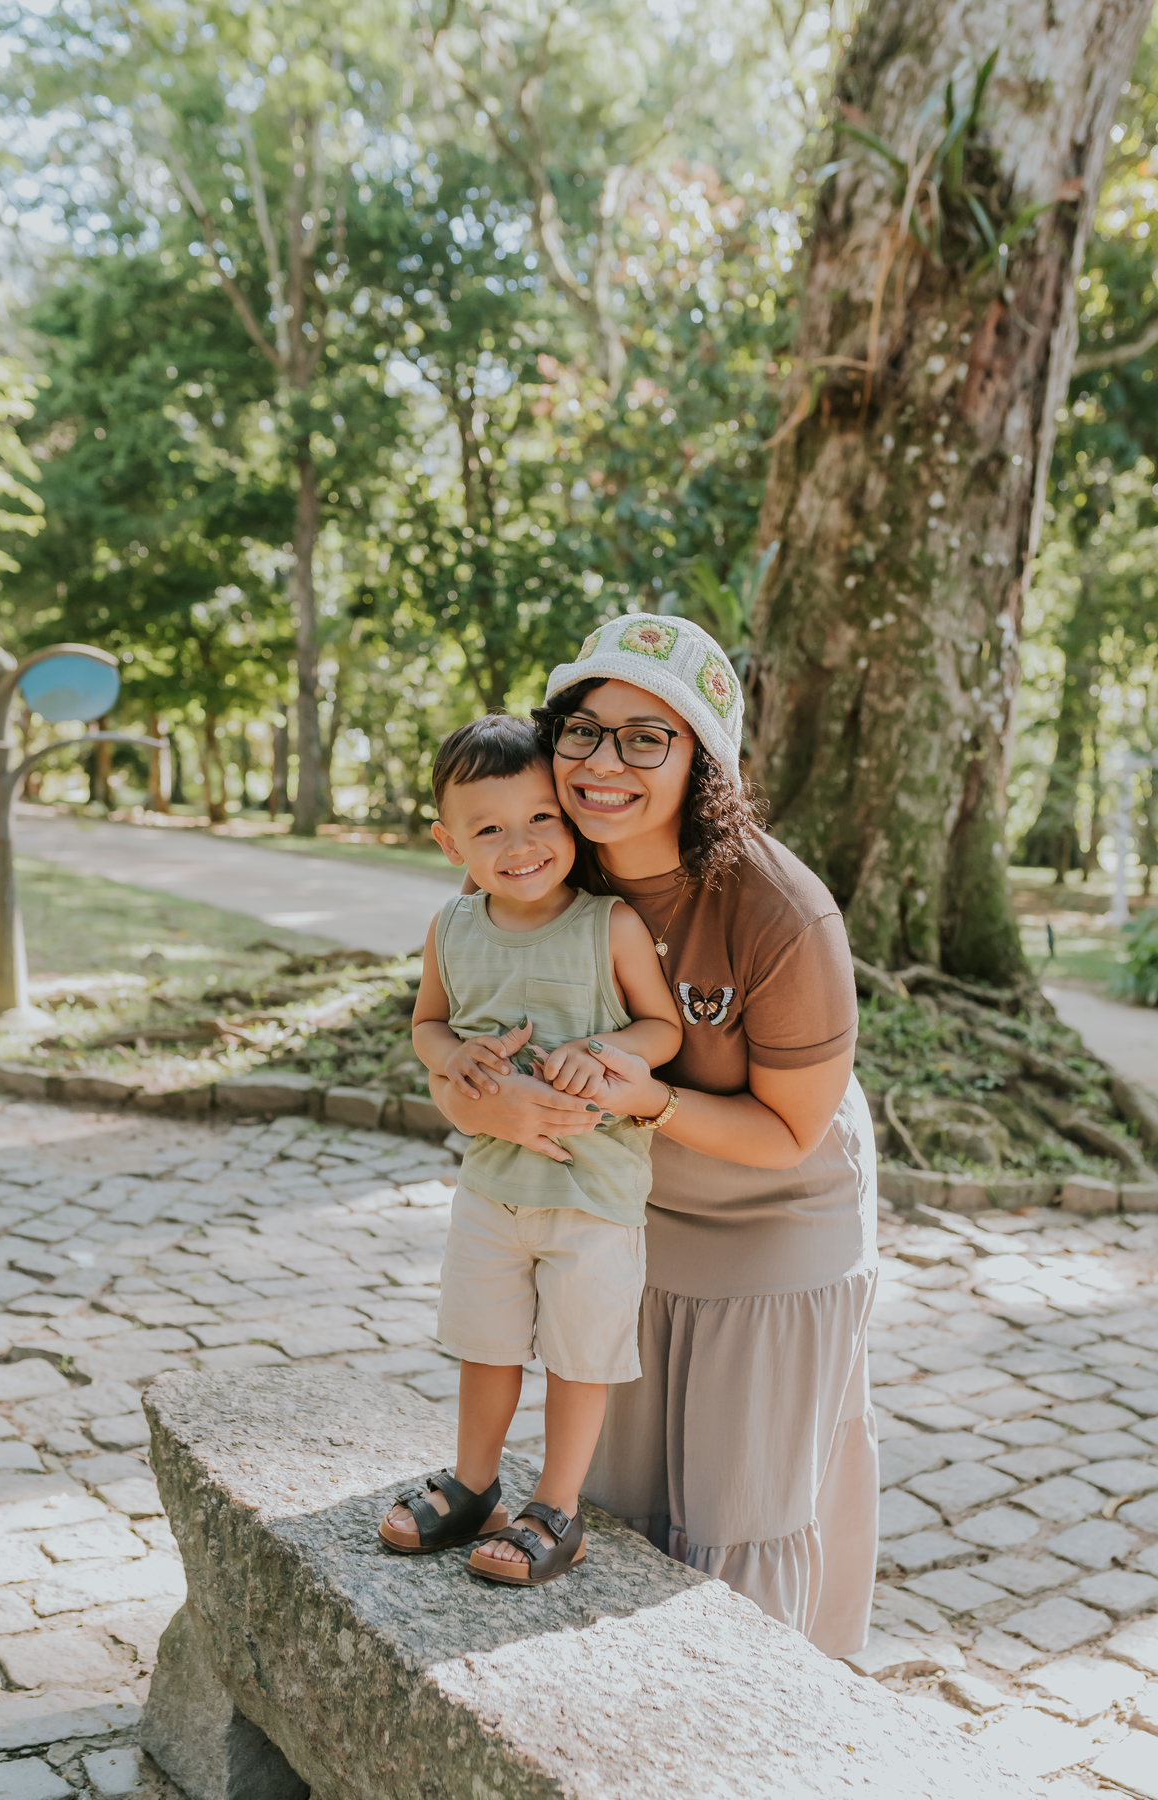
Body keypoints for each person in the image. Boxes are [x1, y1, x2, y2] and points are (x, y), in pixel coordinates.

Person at [426, 613, 878, 1657]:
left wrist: (652, 1101)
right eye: (583, 730)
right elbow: (461, 1046)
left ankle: (760, 1706)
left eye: (647, 737)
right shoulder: (536, 852)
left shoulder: (781, 911)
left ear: (703, 764)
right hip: (617, 1213)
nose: (604, 762)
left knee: (741, 1507)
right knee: (615, 1501)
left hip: (774, 1219)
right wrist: (482, 1102)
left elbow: (792, 1132)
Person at [378, 714, 682, 1587]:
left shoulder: (608, 926)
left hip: (595, 1195)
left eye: (541, 817)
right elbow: (427, 1025)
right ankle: (475, 1485)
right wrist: (453, 1056)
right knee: (488, 1344)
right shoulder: (451, 928)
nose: (520, 845)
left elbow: (662, 1027)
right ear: (450, 844)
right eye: (489, 830)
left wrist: (606, 1049)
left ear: (571, 816)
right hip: (490, 1189)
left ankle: (556, 1506)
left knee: (580, 1357)